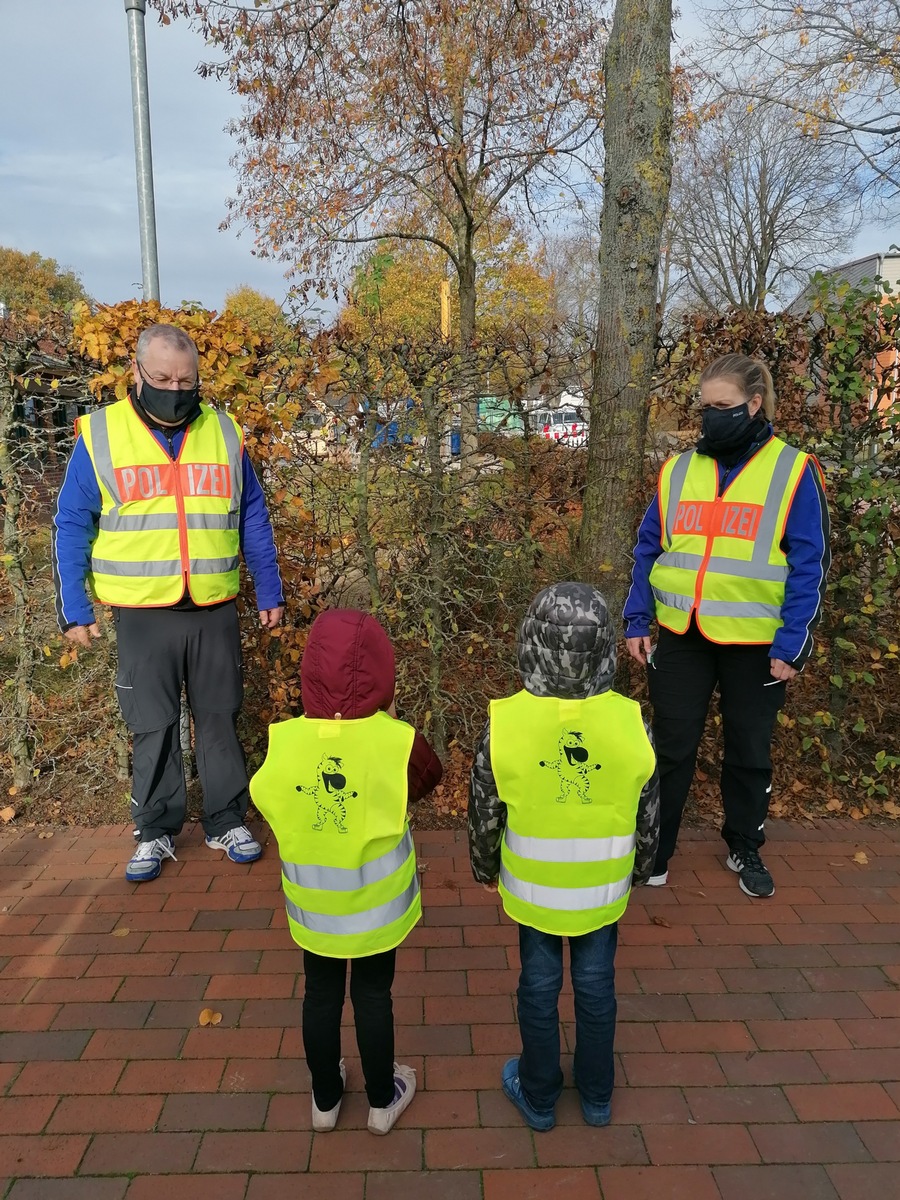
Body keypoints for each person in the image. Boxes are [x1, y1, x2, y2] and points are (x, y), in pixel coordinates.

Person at [52, 323, 285, 882]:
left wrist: (269, 587)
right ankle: (155, 831)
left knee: (219, 719)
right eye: (162, 378)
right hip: (141, 613)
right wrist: (74, 606)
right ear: (136, 373)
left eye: (186, 379)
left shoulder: (224, 432)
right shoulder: (101, 435)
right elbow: (71, 523)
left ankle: (227, 818)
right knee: (151, 723)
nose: (175, 389)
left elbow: (251, 513)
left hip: (212, 606)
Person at [624, 353, 831, 899]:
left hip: (757, 645)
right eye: (704, 406)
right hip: (681, 636)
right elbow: (649, 549)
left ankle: (745, 845)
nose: (711, 416)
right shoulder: (678, 470)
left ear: (753, 405)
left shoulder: (793, 471)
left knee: (748, 750)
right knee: (669, 748)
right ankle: (655, 851)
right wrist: (636, 617)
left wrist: (794, 644)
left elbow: (810, 563)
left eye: (723, 406)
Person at [468, 582, 660, 1132]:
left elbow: (485, 808)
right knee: (597, 985)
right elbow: (650, 806)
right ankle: (597, 1096)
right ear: (604, 651)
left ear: (531, 642)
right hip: (602, 890)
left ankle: (539, 1094)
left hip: (534, 891)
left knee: (539, 984)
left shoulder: (506, 723)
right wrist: (641, 869)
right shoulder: (630, 722)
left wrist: (485, 868)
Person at [250, 608, 442, 1135]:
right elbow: (431, 775)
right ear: (383, 673)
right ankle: (383, 1100)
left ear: (310, 671)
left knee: (320, 993)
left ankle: (325, 1100)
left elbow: (263, 794)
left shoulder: (286, 741)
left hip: (315, 905)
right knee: (374, 995)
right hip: (378, 907)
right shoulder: (396, 742)